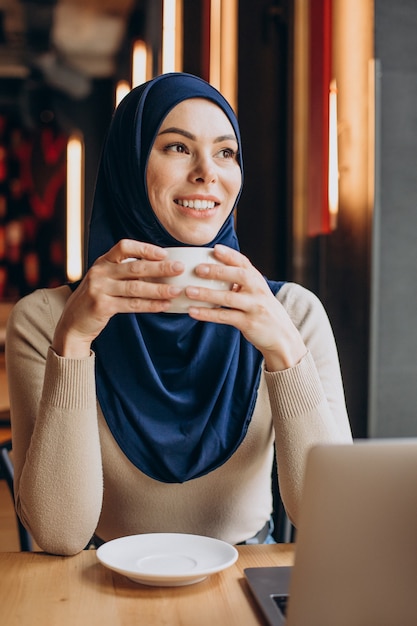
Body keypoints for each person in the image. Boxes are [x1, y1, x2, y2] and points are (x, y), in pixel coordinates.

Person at [6, 72, 352, 556]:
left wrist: (284, 350)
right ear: (130, 165)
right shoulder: (45, 320)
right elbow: (59, 535)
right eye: (177, 147)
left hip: (244, 582)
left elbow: (337, 523)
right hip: (101, 583)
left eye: (226, 152)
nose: (207, 172)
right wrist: (74, 342)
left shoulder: (293, 313)